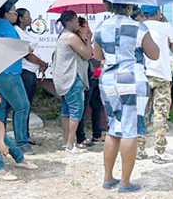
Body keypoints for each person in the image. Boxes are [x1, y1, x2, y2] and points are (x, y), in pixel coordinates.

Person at [93, 1, 160, 193]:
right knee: (130, 129)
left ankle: (108, 178)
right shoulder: (138, 27)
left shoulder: (100, 27)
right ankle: (125, 182)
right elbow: (154, 54)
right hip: (131, 79)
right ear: (129, 6)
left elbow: (97, 55)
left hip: (108, 81)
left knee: (113, 127)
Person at [136, 5, 173, 162]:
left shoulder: (139, 27)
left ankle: (139, 150)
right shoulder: (166, 26)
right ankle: (160, 152)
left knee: (142, 113)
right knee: (160, 113)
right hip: (161, 76)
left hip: (142, 74)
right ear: (159, 12)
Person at [0, 4, 33, 155]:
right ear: (6, 14)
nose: (16, 15)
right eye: (14, 12)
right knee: (22, 106)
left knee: (3, 109)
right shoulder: (6, 28)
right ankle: (22, 143)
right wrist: (28, 49)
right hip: (9, 73)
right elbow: (21, 49)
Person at [50, 11, 92, 153]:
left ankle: (67, 142)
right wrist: (87, 37)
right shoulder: (71, 37)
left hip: (63, 80)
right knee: (75, 111)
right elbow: (87, 55)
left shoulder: (62, 36)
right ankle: (70, 145)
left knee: (66, 112)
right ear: (69, 22)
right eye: (75, 21)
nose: (78, 24)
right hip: (73, 78)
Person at [13, 8, 48, 144]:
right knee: (23, 105)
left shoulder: (25, 32)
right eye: (28, 16)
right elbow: (26, 54)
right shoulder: (17, 32)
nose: (31, 19)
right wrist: (42, 63)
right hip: (24, 71)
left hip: (31, 72)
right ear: (20, 18)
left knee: (27, 105)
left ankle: (25, 134)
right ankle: (21, 136)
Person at [76, 16, 105, 147]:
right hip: (85, 77)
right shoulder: (78, 41)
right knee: (82, 106)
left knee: (97, 106)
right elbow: (86, 55)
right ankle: (80, 136)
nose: (88, 29)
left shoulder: (87, 41)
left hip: (95, 76)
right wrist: (88, 39)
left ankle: (97, 133)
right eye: (86, 26)